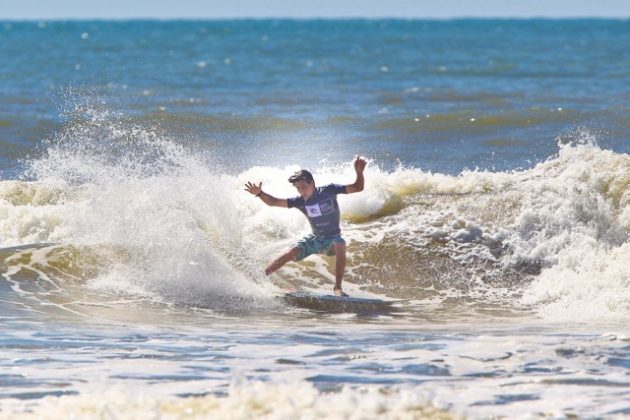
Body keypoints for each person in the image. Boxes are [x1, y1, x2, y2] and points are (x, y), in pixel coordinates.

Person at [244, 156, 367, 296]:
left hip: (332, 240)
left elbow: (358, 187)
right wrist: (259, 193)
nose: (301, 191)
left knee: (340, 244)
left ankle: (337, 288)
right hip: (315, 239)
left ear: (313, 183)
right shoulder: (300, 201)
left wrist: (359, 172)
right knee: (290, 252)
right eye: (298, 188)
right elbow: (273, 201)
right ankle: (259, 278)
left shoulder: (329, 190)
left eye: (304, 186)